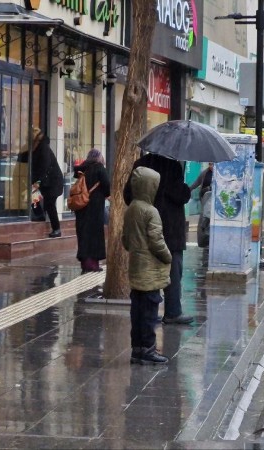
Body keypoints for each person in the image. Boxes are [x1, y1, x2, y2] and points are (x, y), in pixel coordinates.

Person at [124, 153, 194, 325]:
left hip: (143, 227)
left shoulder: (140, 165)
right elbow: (181, 195)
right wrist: (185, 187)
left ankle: (147, 310)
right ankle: (172, 312)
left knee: (146, 269)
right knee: (173, 271)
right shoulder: (173, 166)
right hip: (170, 229)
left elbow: (127, 194)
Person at [123, 166, 172, 365]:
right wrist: (168, 256)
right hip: (150, 271)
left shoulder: (131, 208)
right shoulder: (151, 212)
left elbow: (125, 240)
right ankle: (148, 349)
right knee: (150, 313)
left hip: (136, 267)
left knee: (137, 312)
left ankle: (137, 349)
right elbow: (156, 241)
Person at [18, 127, 64, 237]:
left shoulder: (43, 148)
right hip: (46, 181)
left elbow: (45, 167)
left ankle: (56, 229)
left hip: (53, 182)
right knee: (34, 196)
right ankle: (39, 216)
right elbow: (30, 156)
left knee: (49, 204)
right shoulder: (37, 147)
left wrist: (38, 181)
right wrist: (16, 155)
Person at [73, 149, 111, 273]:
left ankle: (85, 264)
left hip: (80, 205)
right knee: (94, 235)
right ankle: (93, 265)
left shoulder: (81, 168)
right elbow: (107, 187)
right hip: (94, 207)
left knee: (83, 234)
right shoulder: (99, 168)